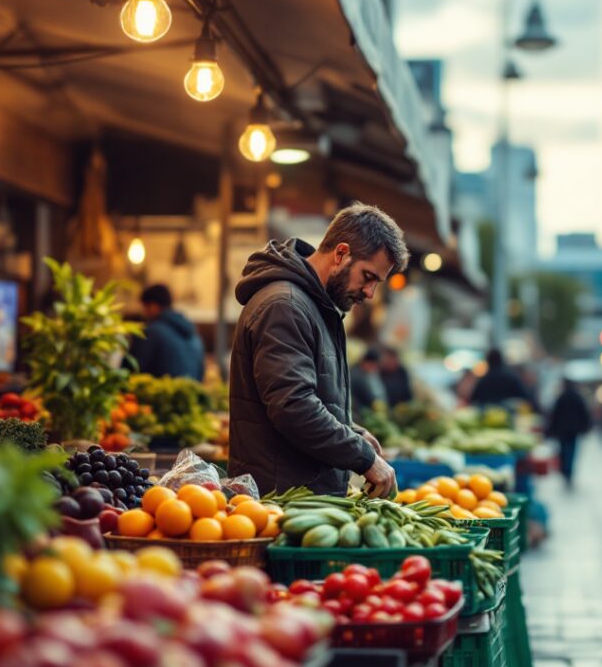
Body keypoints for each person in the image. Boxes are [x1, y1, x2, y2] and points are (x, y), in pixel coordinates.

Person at [228, 203, 407, 497]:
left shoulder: (313, 306)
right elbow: (293, 406)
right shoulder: (284, 306)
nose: (370, 293)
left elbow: (310, 395)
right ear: (340, 254)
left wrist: (353, 432)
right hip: (280, 501)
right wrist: (362, 458)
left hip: (300, 496)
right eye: (368, 277)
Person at [131, 284, 205, 380]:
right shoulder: (194, 336)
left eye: (145, 307)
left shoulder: (151, 333)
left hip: (157, 394)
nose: (144, 312)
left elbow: (133, 369)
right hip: (191, 393)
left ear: (153, 306)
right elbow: (200, 374)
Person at [547, 378, 591, 487]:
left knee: (564, 450)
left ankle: (565, 470)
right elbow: (584, 413)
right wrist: (585, 427)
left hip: (562, 430)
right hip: (574, 430)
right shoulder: (577, 397)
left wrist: (552, 429)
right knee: (571, 451)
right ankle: (569, 471)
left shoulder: (561, 397)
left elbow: (555, 414)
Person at [351, 348, 387, 416]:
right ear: (366, 362)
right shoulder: (357, 375)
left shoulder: (362, 373)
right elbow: (369, 398)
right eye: (373, 365)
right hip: (357, 413)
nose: (374, 369)